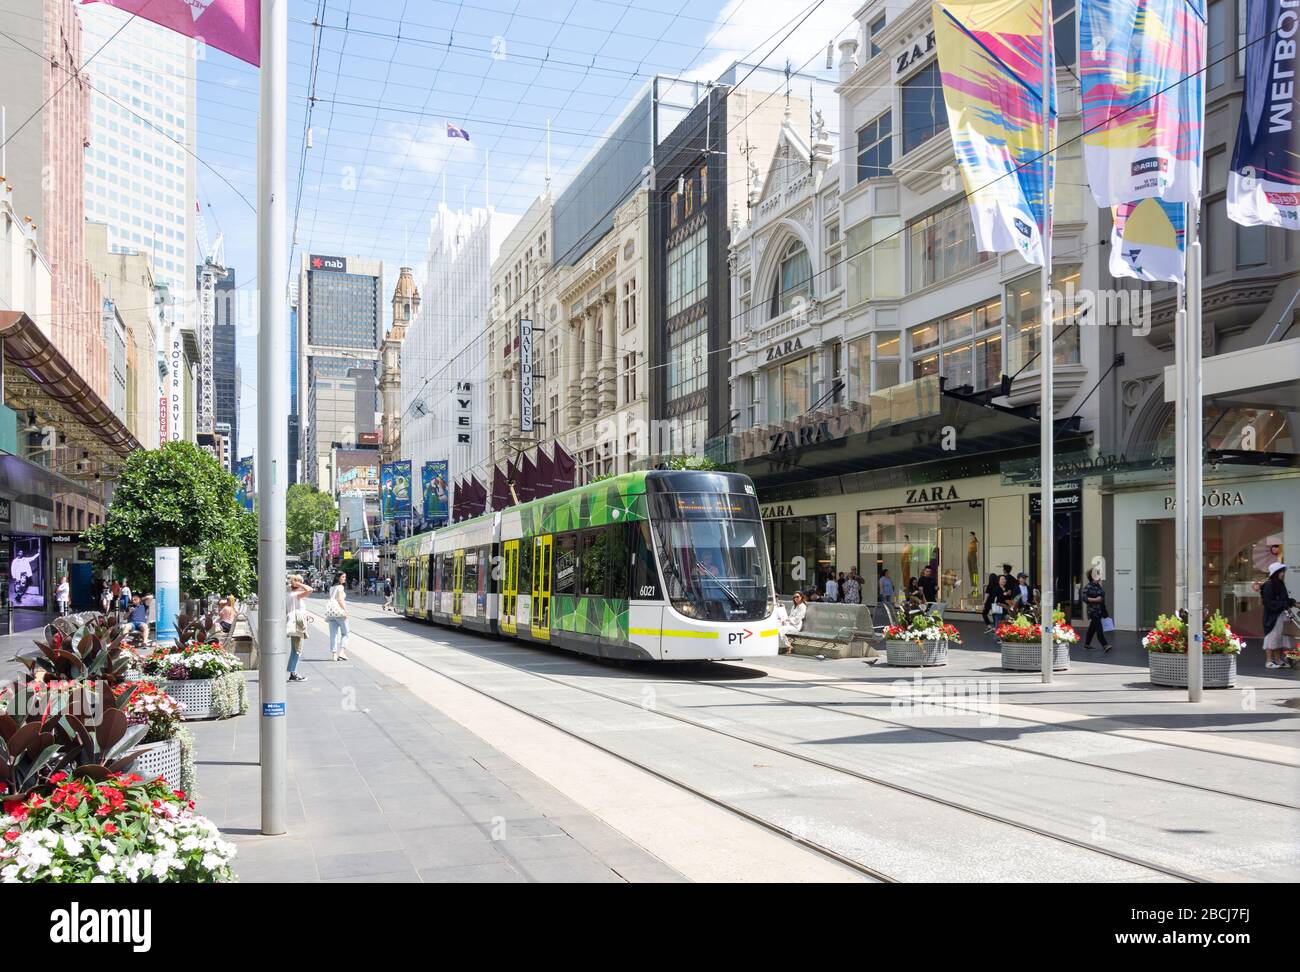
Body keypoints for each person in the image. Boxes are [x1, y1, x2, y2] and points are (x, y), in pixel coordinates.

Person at [1261, 562, 1295, 669]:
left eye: (1283, 571)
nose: (1283, 574)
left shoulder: (1280, 584)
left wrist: (1292, 602)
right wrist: (1286, 603)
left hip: (1280, 615)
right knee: (1271, 638)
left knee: (1279, 638)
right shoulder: (1269, 585)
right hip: (1272, 617)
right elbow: (1269, 603)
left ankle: (1278, 660)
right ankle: (1269, 661)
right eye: (1281, 572)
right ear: (1275, 573)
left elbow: (1283, 600)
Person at [286, 574, 312, 682]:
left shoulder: (289, 594)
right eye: (300, 582)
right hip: (297, 624)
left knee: (295, 649)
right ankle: (293, 673)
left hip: (294, 622)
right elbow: (310, 589)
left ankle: (293, 671)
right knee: (297, 650)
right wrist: (299, 583)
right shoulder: (296, 595)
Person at [1081, 567, 1110, 652]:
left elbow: (1102, 600)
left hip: (1100, 610)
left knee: (1092, 628)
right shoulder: (1088, 586)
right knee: (1099, 628)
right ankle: (1105, 645)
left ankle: (1087, 644)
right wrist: (1095, 600)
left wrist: (1105, 612)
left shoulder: (1099, 586)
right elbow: (1084, 598)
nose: (1100, 576)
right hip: (1093, 611)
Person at [326, 571, 350, 662]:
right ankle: (342, 652)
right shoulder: (340, 587)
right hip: (339, 613)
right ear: (338, 578)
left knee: (333, 634)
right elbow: (340, 599)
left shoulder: (332, 587)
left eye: (345, 577)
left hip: (331, 613)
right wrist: (345, 610)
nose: (344, 578)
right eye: (343, 577)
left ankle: (334, 654)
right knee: (346, 633)